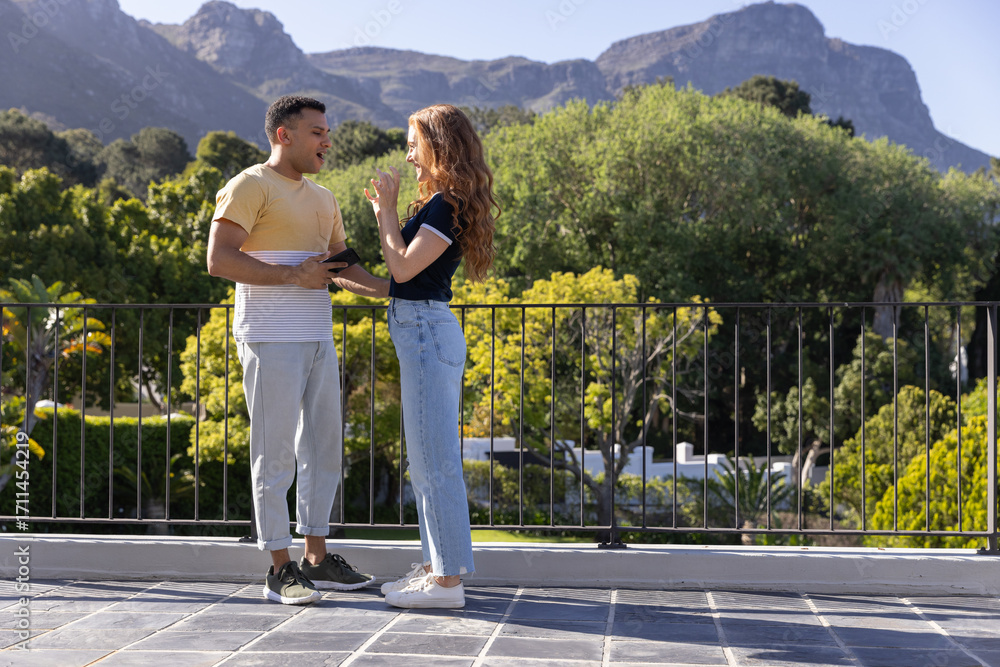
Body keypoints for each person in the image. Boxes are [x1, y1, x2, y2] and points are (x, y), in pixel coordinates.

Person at [207, 95, 389, 605]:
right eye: (316, 132)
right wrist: (292, 274)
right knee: (275, 453)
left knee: (324, 448)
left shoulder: (325, 197)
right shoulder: (249, 186)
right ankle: (279, 568)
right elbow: (219, 260)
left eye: (327, 132)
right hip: (269, 339)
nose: (327, 141)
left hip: (317, 339)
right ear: (283, 134)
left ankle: (316, 556)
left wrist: (392, 290)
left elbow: (339, 268)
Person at [364, 104, 499, 609]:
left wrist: (385, 210)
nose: (408, 153)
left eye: (413, 142)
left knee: (434, 462)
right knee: (426, 461)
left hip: (425, 332)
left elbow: (401, 268)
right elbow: (403, 284)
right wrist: (346, 275)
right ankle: (435, 567)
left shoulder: (446, 203)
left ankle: (446, 585)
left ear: (439, 145)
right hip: (420, 326)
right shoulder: (443, 203)